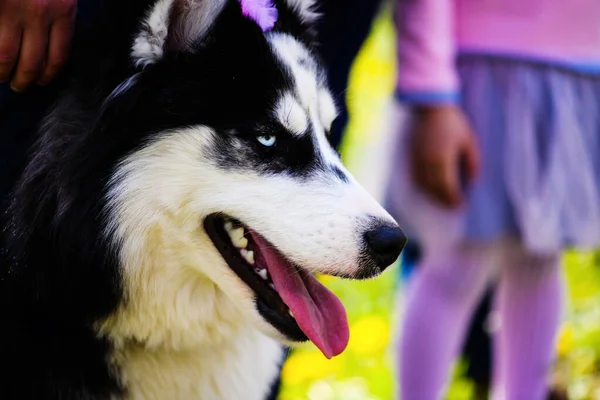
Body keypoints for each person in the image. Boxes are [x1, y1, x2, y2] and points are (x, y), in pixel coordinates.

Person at [386, 1, 600, 398]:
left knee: (540, 256)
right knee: (458, 261)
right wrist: (433, 98)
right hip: (486, 74)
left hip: (581, 73)